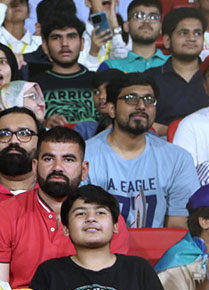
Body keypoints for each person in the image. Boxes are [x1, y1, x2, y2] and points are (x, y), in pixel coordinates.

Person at [30, 185, 175, 290]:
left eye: (100, 213)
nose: (91, 218)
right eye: (80, 213)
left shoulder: (138, 268)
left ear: (115, 226)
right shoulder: (49, 272)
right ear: (66, 229)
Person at [0, 126, 129, 288]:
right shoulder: (5, 213)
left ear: (84, 170)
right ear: (35, 167)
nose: (57, 167)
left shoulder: (106, 218)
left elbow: (112, 286)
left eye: (68, 160)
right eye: (49, 159)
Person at [85, 73, 198, 228]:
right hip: (99, 250)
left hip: (159, 250)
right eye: (131, 98)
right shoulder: (84, 155)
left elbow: (179, 227)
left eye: (149, 100)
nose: (142, 106)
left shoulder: (178, 159)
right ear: (111, 109)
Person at [146, 7, 209, 137]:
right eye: (183, 33)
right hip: (164, 145)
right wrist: (173, 131)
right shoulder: (150, 78)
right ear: (167, 41)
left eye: (197, 33)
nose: (191, 38)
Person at [31, 13, 97, 125]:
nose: (64, 44)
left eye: (71, 37)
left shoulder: (98, 81)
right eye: (56, 38)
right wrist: (44, 124)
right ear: (45, 46)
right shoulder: (33, 86)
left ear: (82, 44)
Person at [100, 0, 168, 73]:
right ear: (126, 26)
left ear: (161, 27)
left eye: (153, 17)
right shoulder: (111, 67)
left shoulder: (175, 64)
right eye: (139, 16)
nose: (146, 21)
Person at [80, 0, 129, 71]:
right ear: (88, 2)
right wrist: (93, 52)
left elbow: (124, 65)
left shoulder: (127, 30)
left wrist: (115, 26)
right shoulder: (80, 33)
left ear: (117, 0)